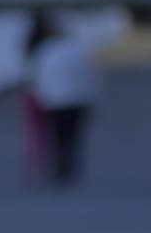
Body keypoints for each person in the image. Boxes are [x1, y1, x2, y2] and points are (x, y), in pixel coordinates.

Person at [30, 14, 101, 185]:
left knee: (58, 136)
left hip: (55, 101)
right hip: (77, 100)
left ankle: (60, 166)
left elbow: (39, 78)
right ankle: (69, 165)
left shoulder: (46, 52)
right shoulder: (78, 51)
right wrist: (92, 98)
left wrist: (41, 96)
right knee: (73, 136)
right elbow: (90, 76)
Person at [19, 8, 54, 185]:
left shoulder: (30, 44)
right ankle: (50, 166)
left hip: (33, 91)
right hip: (54, 93)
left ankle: (37, 168)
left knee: (36, 133)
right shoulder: (53, 44)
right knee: (51, 132)